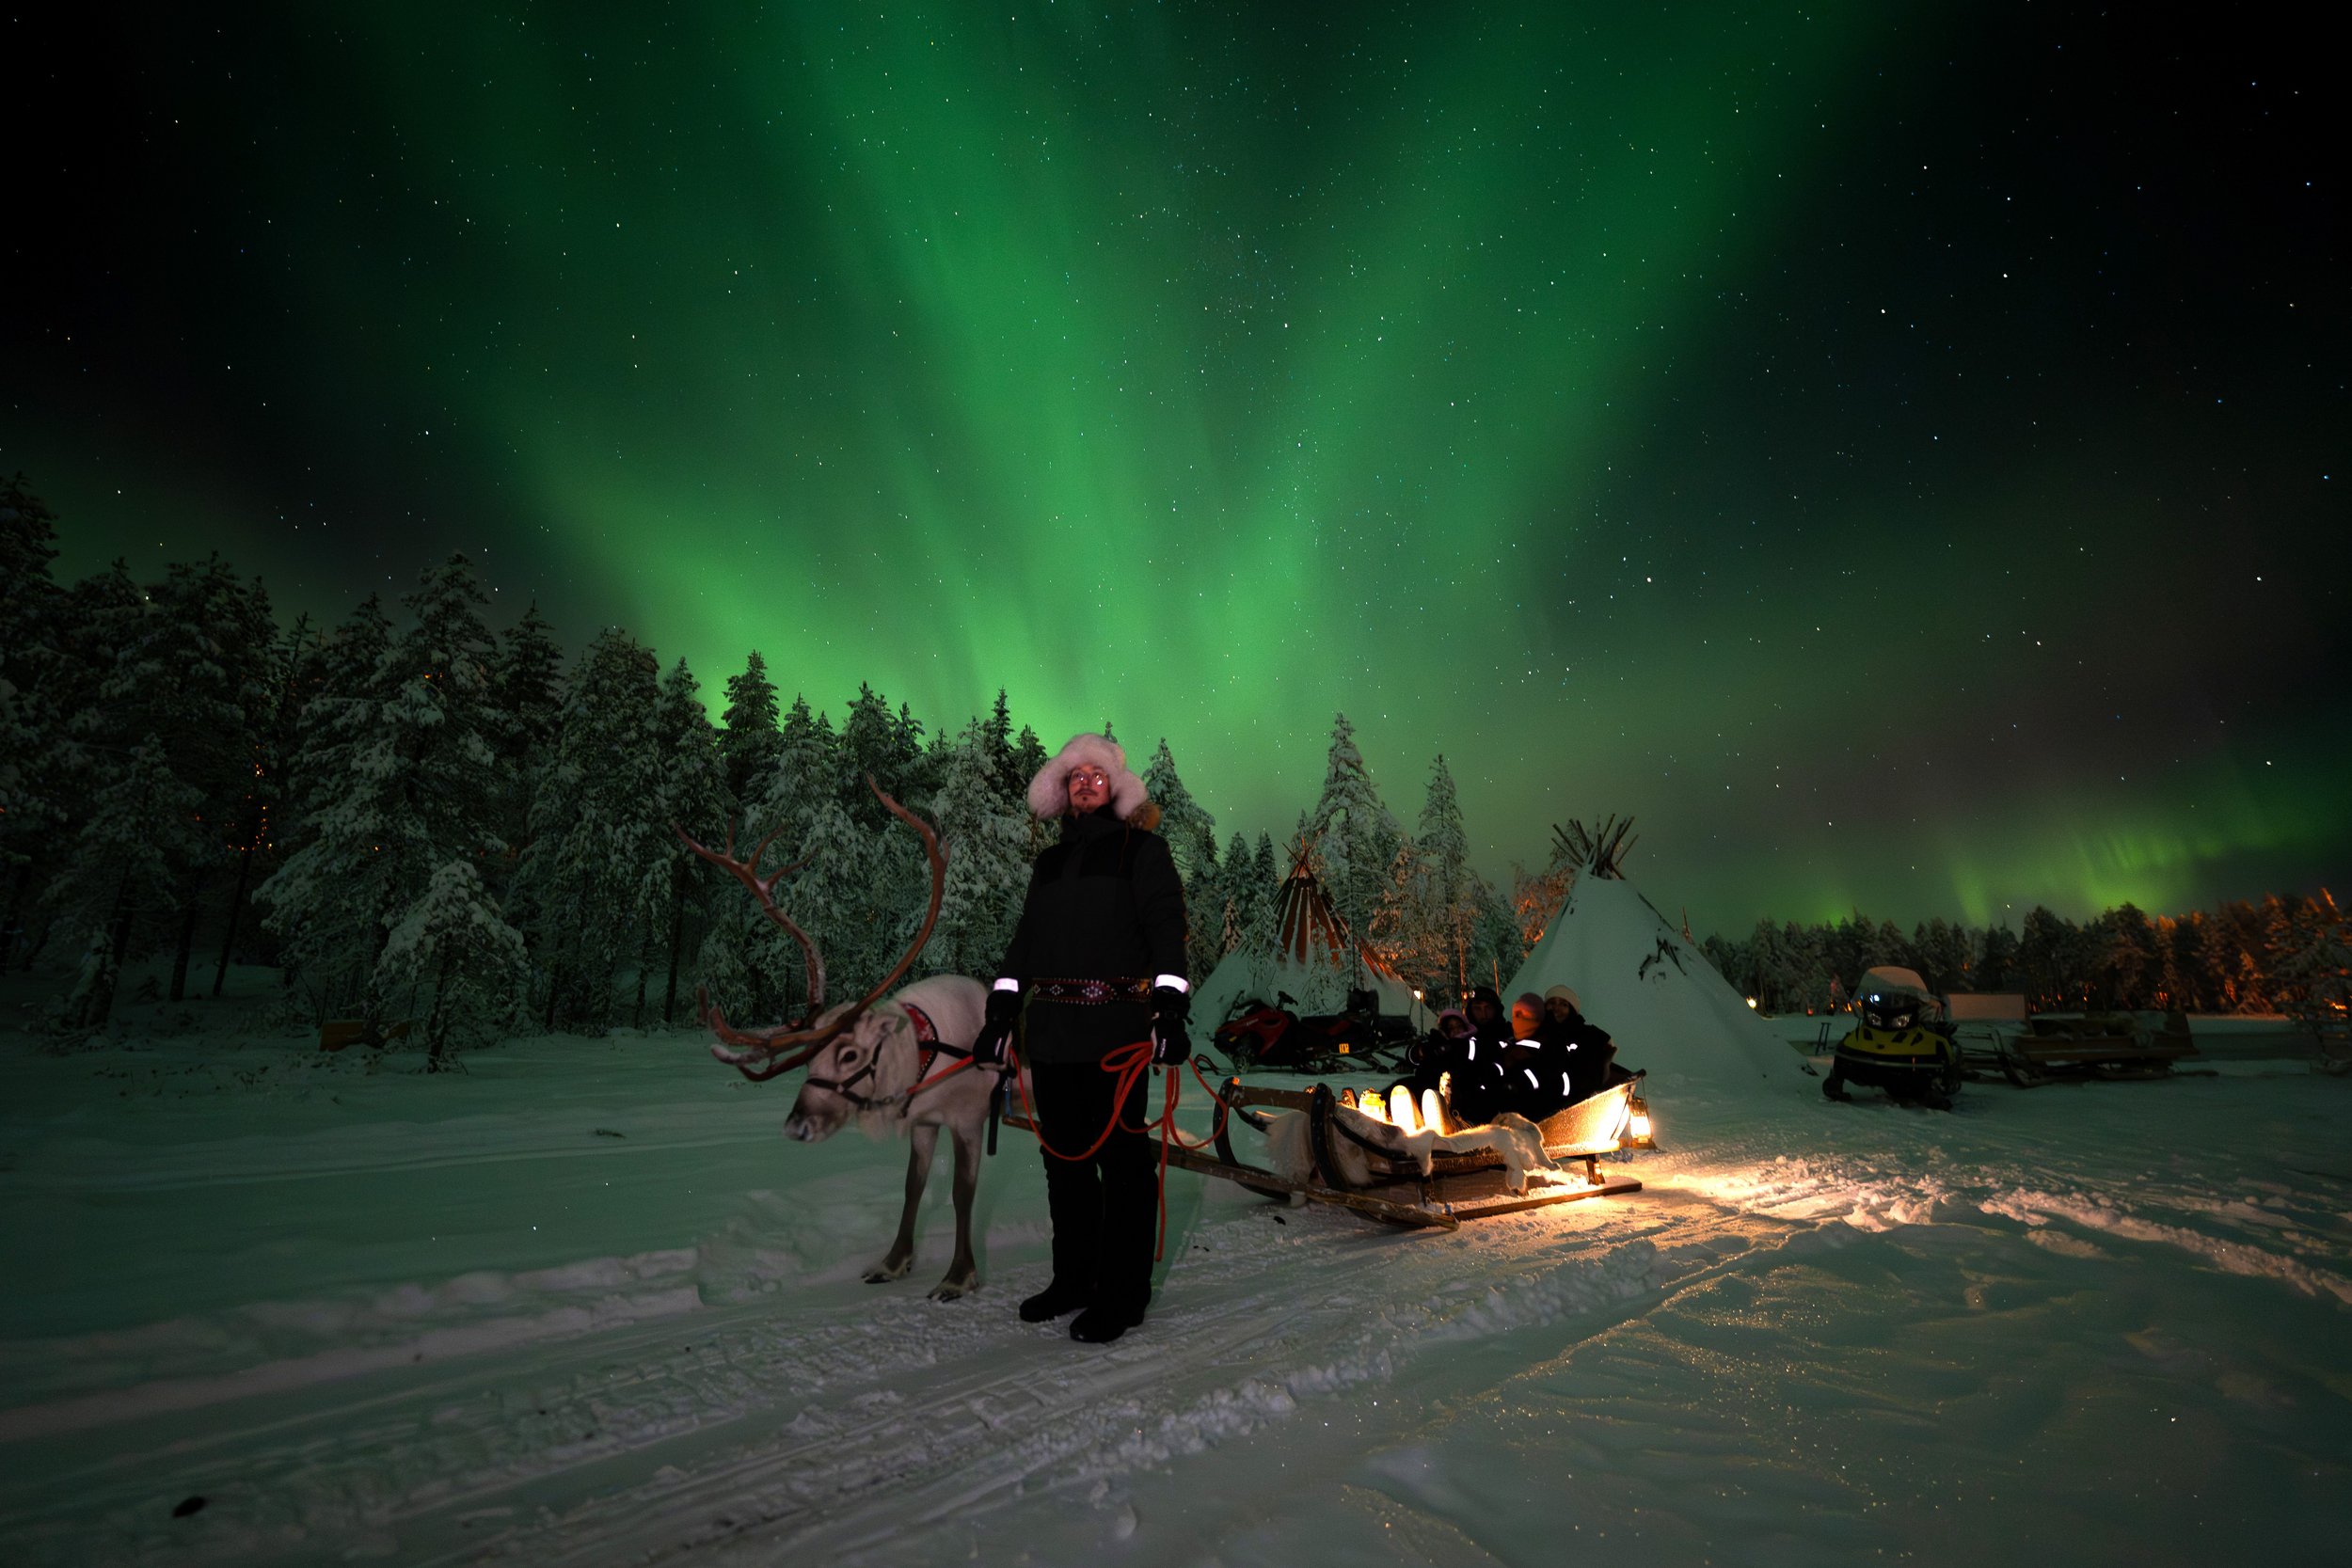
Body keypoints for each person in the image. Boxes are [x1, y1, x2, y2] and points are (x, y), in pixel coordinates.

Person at [970, 734, 1188, 1344]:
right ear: (1061, 792)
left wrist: (1170, 1008)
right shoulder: (1049, 865)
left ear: (1115, 788)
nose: (1086, 782)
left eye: (1098, 774)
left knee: (1121, 1166)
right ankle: (1074, 1279)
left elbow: (1167, 928)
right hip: (1054, 1034)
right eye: (1075, 776)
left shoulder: (1141, 851)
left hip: (1116, 1032)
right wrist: (1000, 1014)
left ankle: (1122, 1295)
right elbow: (1025, 946)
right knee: (1062, 1163)